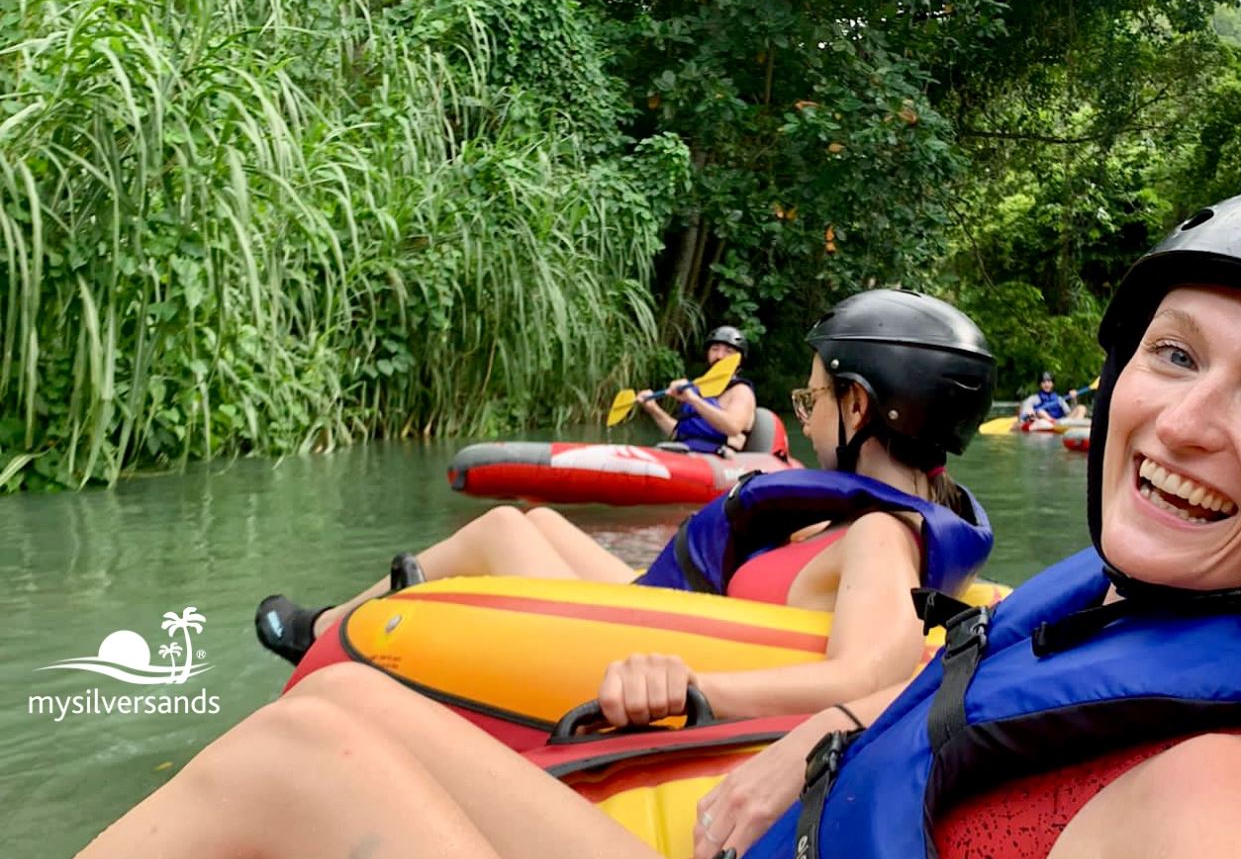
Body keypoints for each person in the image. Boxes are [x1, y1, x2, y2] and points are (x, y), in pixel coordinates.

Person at [5, 186, 1241, 859]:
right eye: (1173, 358)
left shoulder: (1231, 796)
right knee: (325, 733)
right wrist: (821, 737)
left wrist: (719, 686)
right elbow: (939, 701)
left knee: (287, 764)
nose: (1181, 420)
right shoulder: (1135, 612)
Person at [254, 291, 997, 730]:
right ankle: (328, 626)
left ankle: (325, 635)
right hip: (671, 607)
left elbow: (866, 678)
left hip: (669, 648)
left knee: (505, 530)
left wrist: (696, 692)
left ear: (861, 405)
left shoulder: (879, 537)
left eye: (813, 399)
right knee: (539, 520)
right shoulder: (866, 515)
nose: (802, 419)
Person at [637, 325, 758, 454]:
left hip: (723, 458)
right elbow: (679, 434)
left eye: (728, 351)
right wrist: (654, 410)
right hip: (687, 451)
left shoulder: (741, 391)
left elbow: (733, 428)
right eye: (714, 349)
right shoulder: (698, 389)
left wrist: (694, 400)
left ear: (739, 360)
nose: (720, 356)